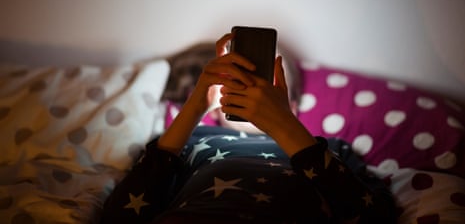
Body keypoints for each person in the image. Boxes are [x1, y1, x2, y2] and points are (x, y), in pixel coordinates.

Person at [100, 34, 396, 223]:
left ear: (292, 105)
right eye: (238, 81)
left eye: (269, 85)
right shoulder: (189, 140)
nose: (254, 89)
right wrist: (195, 108)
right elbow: (119, 217)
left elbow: (374, 217)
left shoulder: (328, 148)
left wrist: (286, 128)